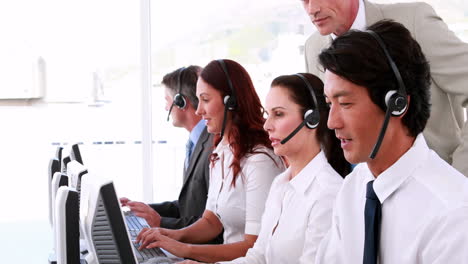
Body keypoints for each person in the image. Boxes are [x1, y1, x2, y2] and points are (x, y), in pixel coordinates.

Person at [314, 20, 468, 263]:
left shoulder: (453, 214)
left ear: (397, 104)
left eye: (345, 104)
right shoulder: (353, 187)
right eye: (328, 104)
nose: (332, 123)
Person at [136, 59, 285, 263]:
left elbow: (254, 247)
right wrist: (168, 235)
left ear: (230, 102)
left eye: (205, 100)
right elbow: (211, 221)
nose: (199, 111)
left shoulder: (260, 161)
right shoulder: (222, 151)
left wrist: (184, 250)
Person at [301, 0, 468, 176]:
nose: (312, 9)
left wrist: (460, 174)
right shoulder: (313, 48)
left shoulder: (413, 20)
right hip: (361, 193)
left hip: (435, 183)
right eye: (304, 0)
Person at [120, 66, 219, 240]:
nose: (166, 108)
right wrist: (144, 210)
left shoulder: (215, 144)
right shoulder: (195, 142)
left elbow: (216, 221)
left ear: (181, 102)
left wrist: (161, 223)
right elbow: (188, 206)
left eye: (167, 100)